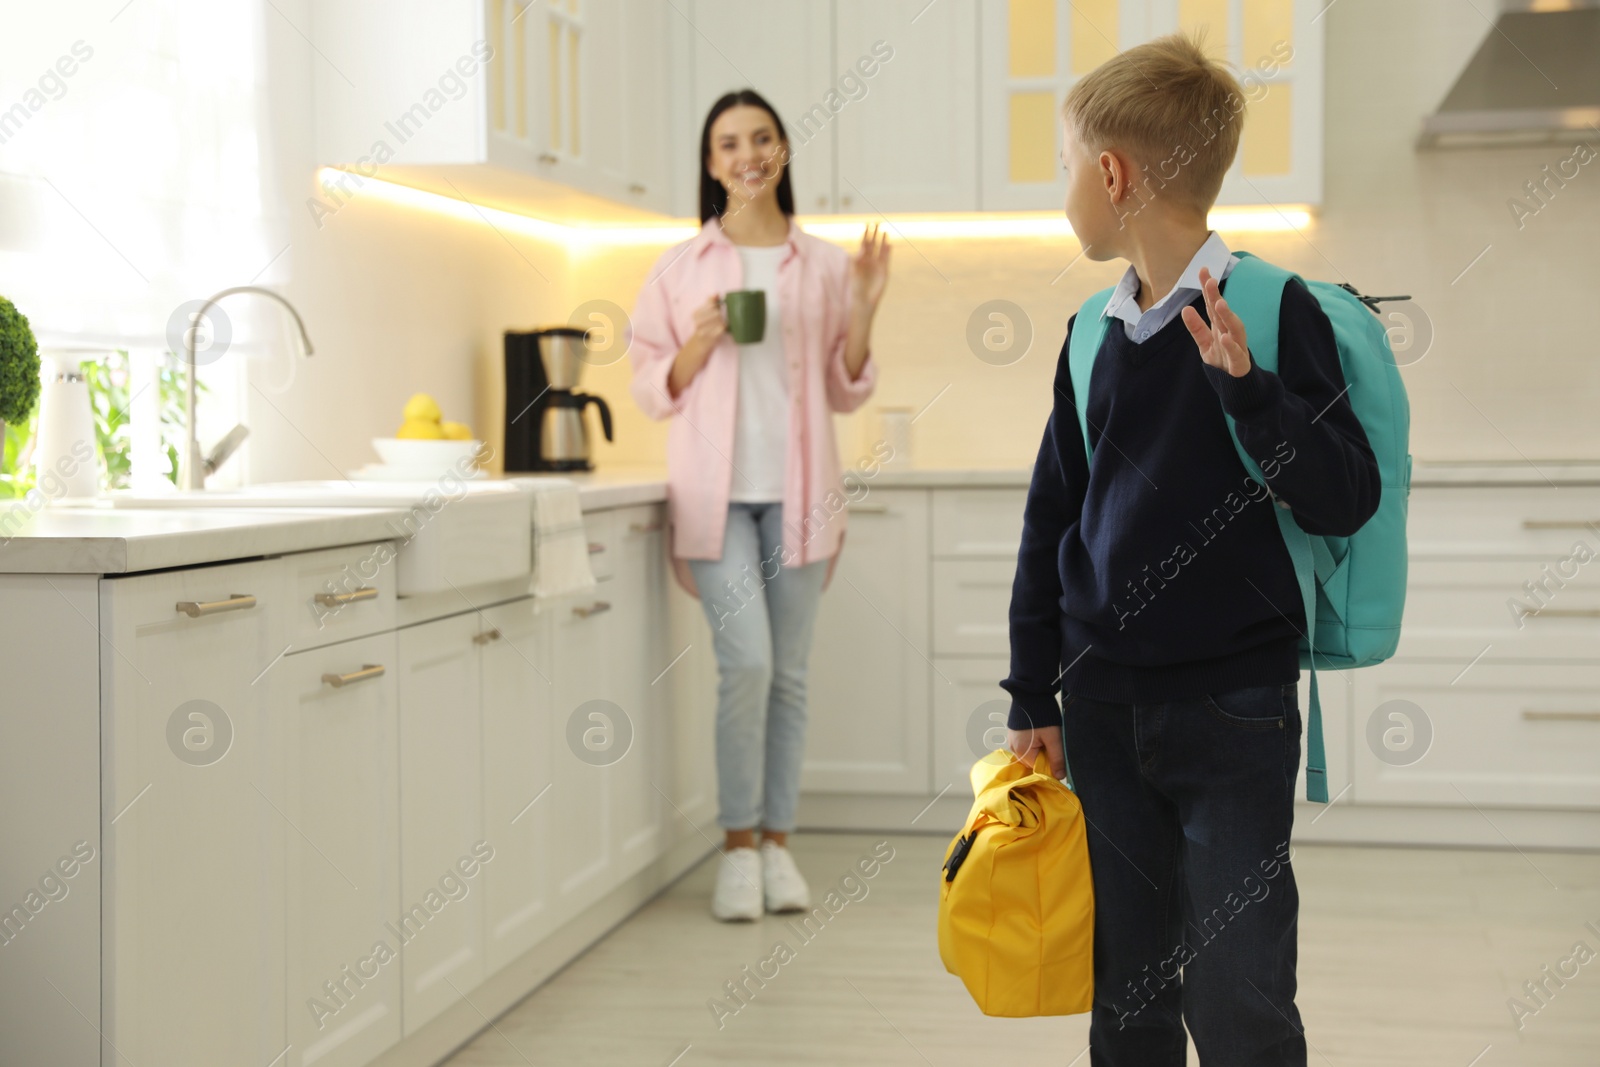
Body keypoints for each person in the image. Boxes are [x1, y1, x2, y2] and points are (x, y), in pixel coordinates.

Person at [1000, 34, 1379, 1066]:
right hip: (1105, 708)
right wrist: (1032, 693)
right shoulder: (1090, 331)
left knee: (1239, 990)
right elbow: (1051, 522)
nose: (1066, 187)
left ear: (1112, 175)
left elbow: (1344, 495)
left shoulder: (1271, 310)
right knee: (1126, 991)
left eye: (1068, 162)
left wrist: (1252, 393)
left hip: (1233, 711)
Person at [628, 89, 891, 922]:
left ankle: (779, 845)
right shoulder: (678, 268)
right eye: (728, 143)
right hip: (715, 501)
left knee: (792, 678)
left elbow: (846, 390)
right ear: (710, 163)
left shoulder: (819, 264)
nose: (746, 153)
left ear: (781, 151)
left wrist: (865, 308)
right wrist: (697, 346)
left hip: (802, 496)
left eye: (761, 138)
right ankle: (737, 848)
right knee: (746, 665)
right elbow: (648, 387)